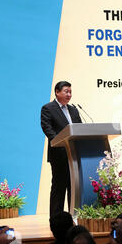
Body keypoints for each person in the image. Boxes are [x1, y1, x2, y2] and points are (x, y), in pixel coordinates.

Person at [41, 81, 82, 217]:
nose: (69, 94)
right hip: (59, 154)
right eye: (66, 91)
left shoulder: (74, 110)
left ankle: (74, 216)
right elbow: (47, 129)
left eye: (70, 92)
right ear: (57, 92)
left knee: (74, 188)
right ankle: (55, 219)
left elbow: (80, 129)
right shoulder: (48, 108)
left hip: (75, 155)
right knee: (59, 187)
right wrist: (62, 142)